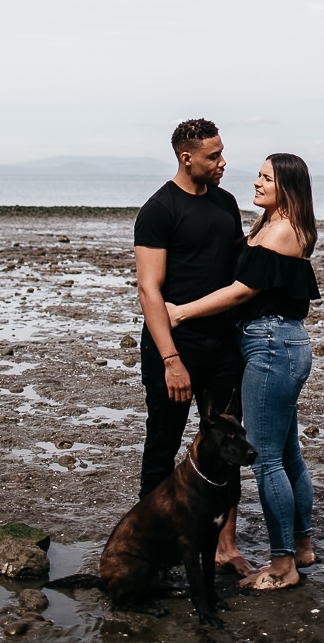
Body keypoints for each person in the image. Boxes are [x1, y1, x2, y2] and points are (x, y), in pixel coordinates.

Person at [166, 152, 320, 591]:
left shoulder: (284, 231)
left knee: (267, 459)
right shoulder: (269, 225)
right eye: (258, 175)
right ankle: (303, 544)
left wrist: (181, 314)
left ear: (286, 187)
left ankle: (282, 564)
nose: (256, 183)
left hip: (272, 346)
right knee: (288, 454)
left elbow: (240, 293)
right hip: (279, 343)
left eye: (266, 178)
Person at [134, 117, 250, 575]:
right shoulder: (159, 210)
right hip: (174, 349)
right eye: (213, 156)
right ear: (187, 158)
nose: (222, 162)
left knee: (229, 447)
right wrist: (171, 360)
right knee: (162, 447)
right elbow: (149, 290)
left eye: (221, 153)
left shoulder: (226, 203)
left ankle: (225, 544)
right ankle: (152, 545)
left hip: (223, 348)